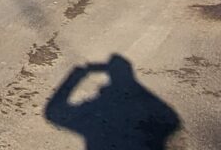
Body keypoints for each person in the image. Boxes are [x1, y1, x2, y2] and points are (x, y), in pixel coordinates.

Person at [45, 54, 180, 149]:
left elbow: (53, 113)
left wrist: (77, 74)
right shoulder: (163, 117)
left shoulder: (94, 120)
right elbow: (170, 121)